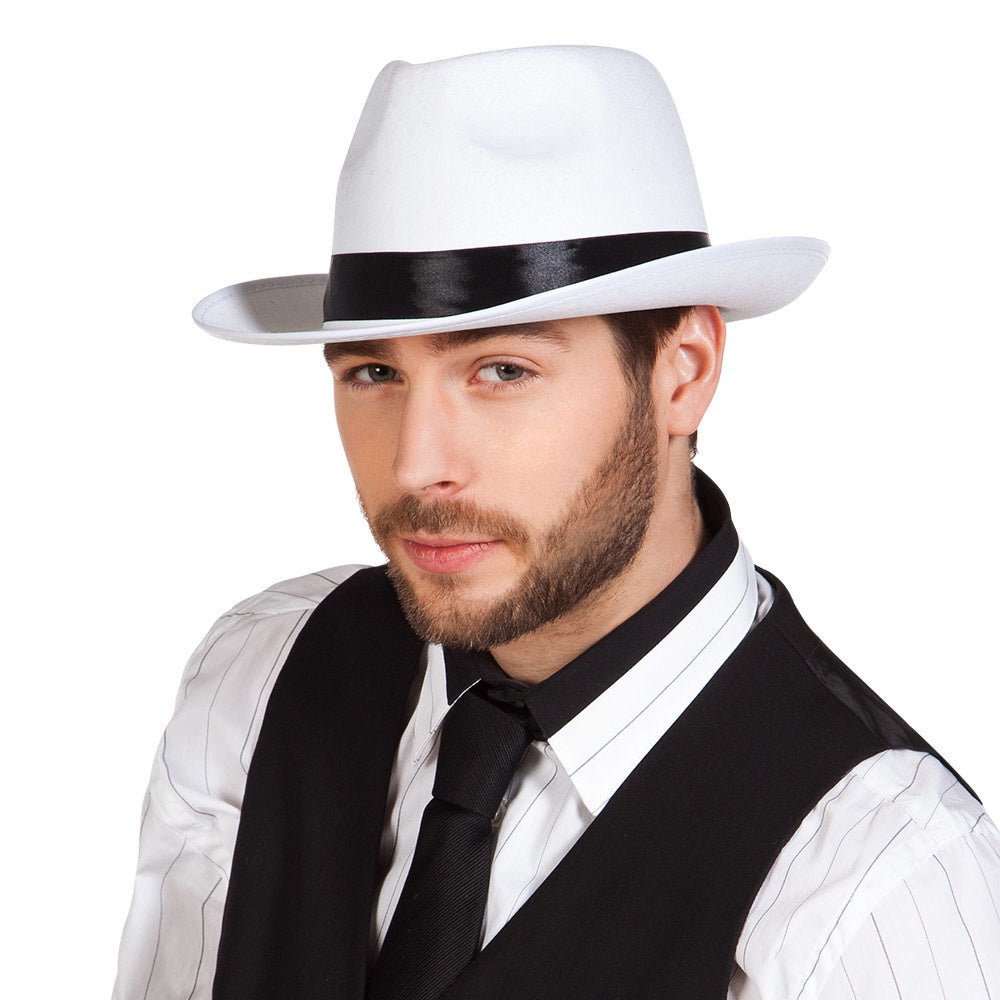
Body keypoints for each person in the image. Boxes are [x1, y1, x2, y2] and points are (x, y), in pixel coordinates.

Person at [112, 45, 1000, 1000]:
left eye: (502, 370)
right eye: (374, 372)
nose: (415, 465)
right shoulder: (257, 680)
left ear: (683, 373)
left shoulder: (874, 885)